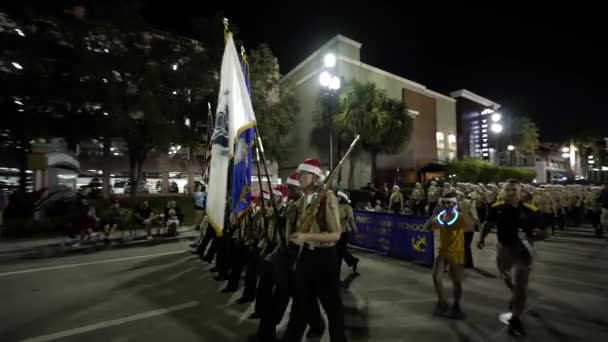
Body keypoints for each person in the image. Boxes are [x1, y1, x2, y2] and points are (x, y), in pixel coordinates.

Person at [281, 157, 346, 342]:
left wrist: (305, 237)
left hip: (324, 258)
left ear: (314, 176)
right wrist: (296, 237)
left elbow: (335, 235)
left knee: (333, 308)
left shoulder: (327, 197)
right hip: (305, 258)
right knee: (301, 305)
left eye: (303, 173)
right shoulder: (302, 202)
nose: (299, 176)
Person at [477, 179, 546, 336]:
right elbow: (488, 223)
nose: (510, 192)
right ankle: (515, 295)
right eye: (507, 189)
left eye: (514, 190)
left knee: (521, 285)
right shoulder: (497, 207)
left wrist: (540, 236)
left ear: (520, 191)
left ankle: (516, 317)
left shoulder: (530, 209)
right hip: (503, 249)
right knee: (506, 277)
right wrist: (481, 238)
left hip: (524, 250)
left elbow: (546, 228)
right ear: (503, 191)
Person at [427, 193, 467, 319]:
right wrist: (434, 215)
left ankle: (456, 306)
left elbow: (449, 226)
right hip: (443, 250)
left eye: (450, 203)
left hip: (456, 252)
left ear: (455, 203)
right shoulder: (441, 215)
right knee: (435, 276)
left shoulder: (459, 216)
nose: (447, 205)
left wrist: (439, 220)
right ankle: (442, 301)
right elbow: (427, 227)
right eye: (444, 203)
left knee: (456, 281)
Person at [337, 191, 359, 277]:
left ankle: (336, 276)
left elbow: (352, 221)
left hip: (343, 233)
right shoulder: (334, 206)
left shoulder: (348, 208)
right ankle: (353, 260)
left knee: (338, 254)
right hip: (334, 233)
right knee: (341, 252)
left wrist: (356, 231)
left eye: (338, 196)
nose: (337, 198)